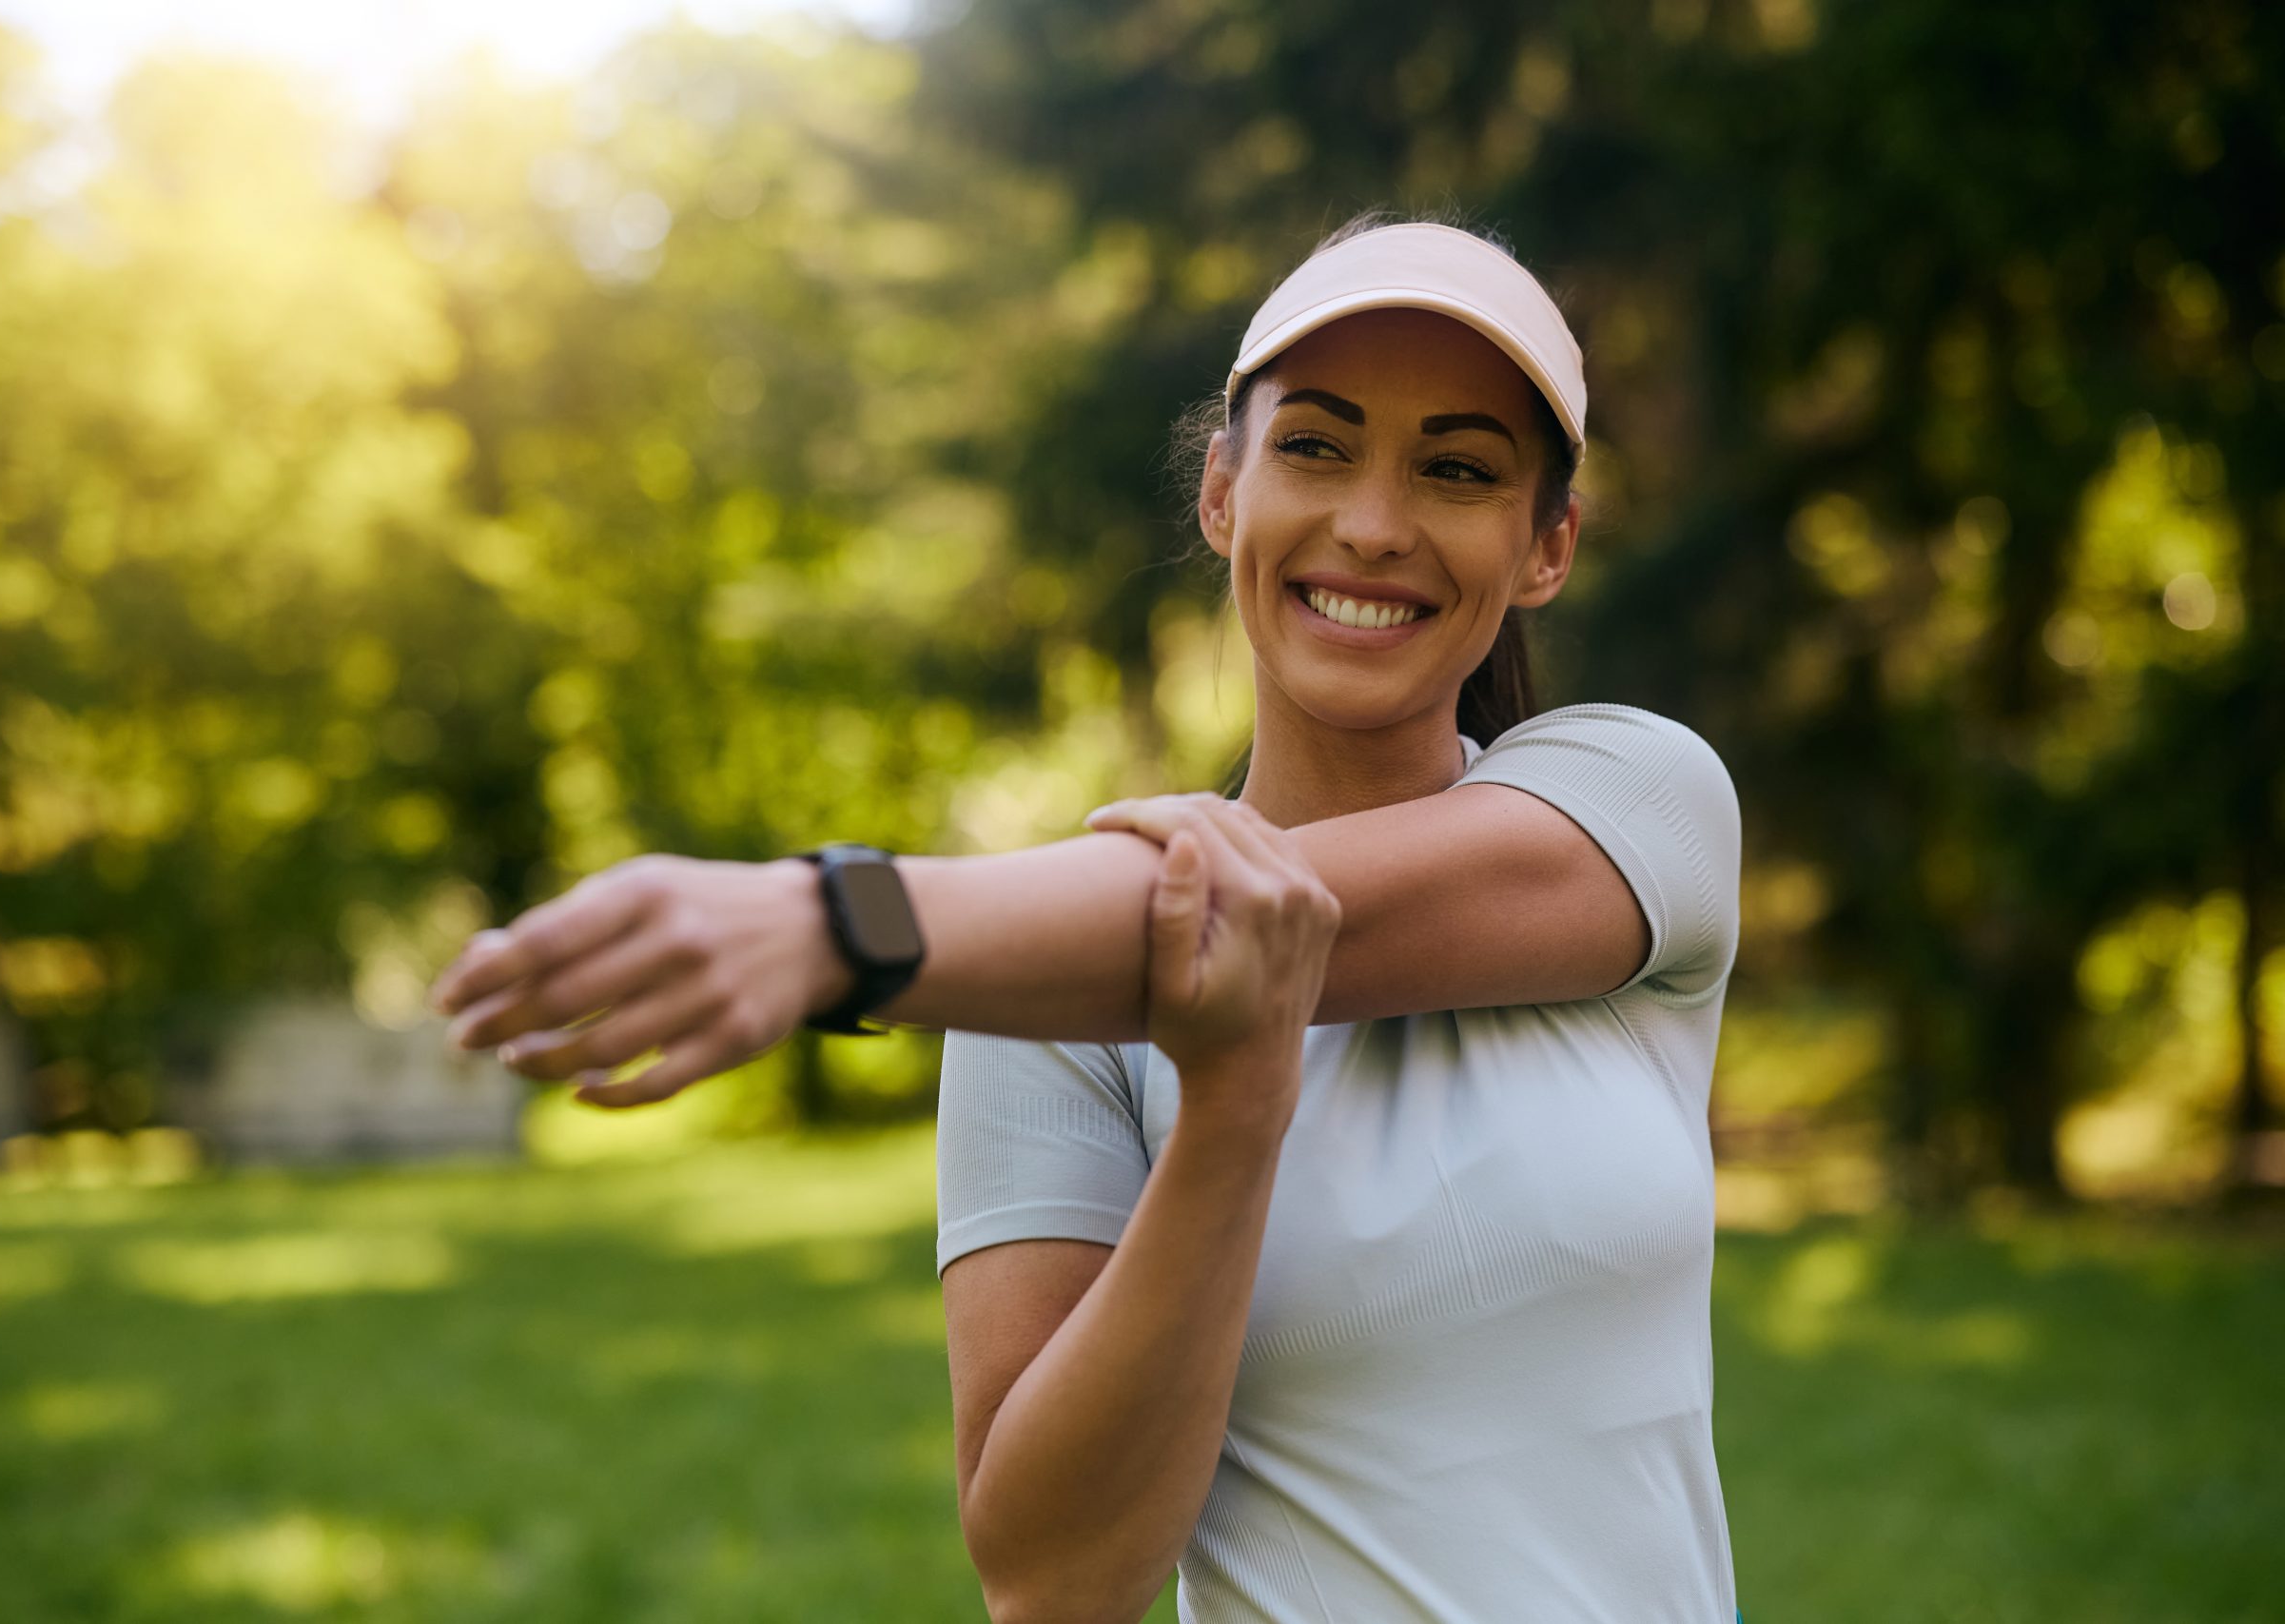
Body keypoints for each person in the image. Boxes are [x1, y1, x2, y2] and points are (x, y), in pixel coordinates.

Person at [431, 210, 1743, 1623]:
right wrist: (1231, 1120)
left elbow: (1284, 918)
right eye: (1315, 445)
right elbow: (1051, 1582)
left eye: (1459, 469)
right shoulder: (1037, 996)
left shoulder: (1640, 804)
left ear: (1547, 546)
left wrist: (835, 922)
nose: (1373, 523)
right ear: (1221, 494)